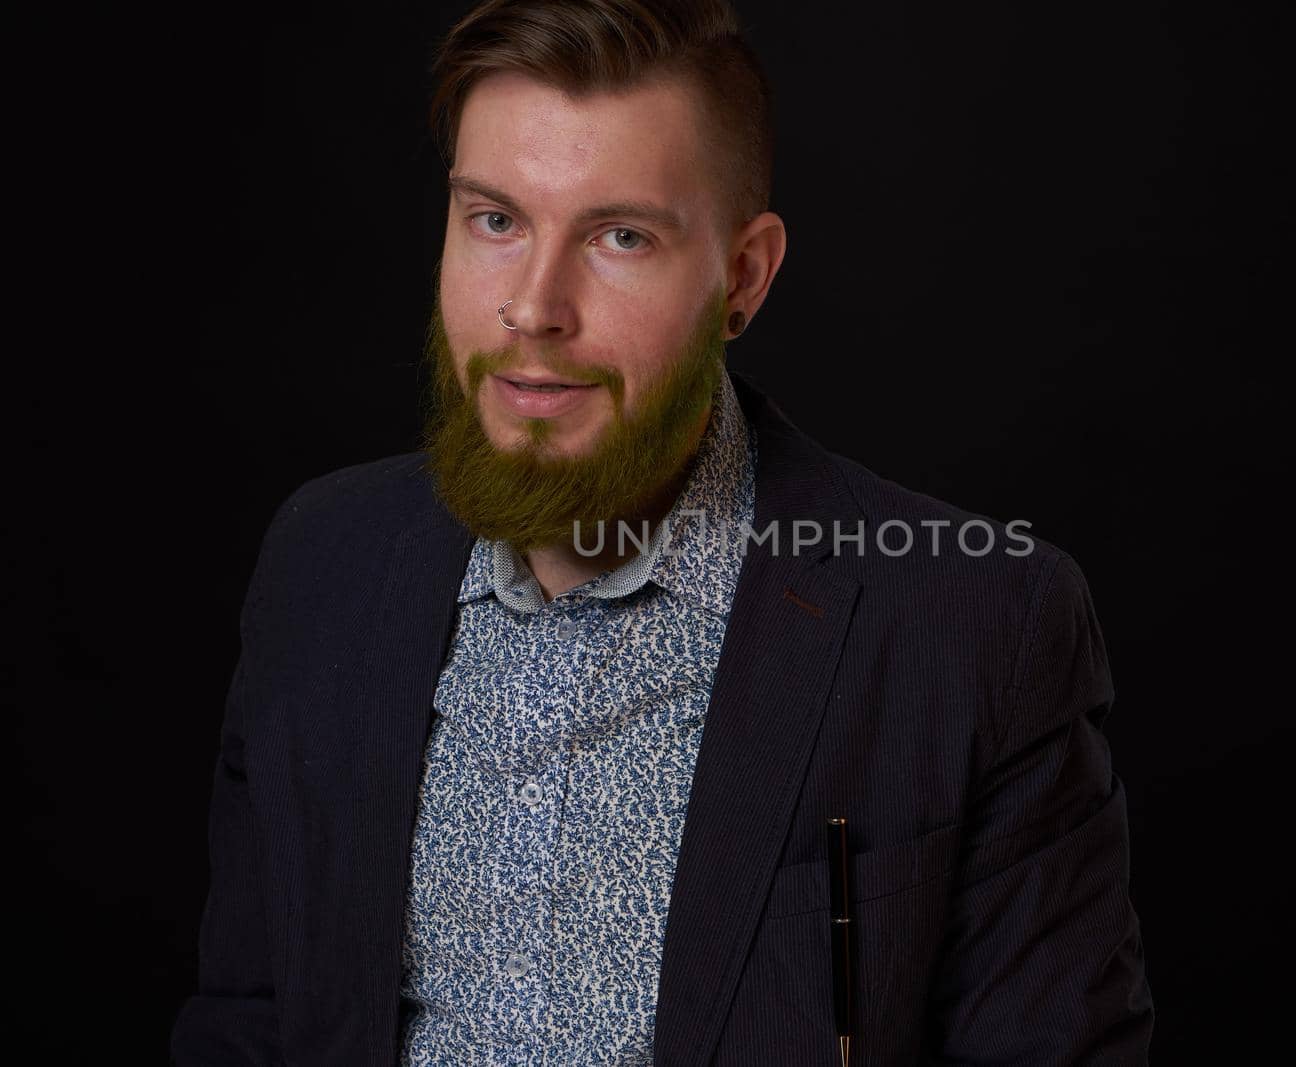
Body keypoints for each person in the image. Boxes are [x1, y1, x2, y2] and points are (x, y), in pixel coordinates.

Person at [170, 1, 1154, 1063]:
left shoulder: (978, 624)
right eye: (494, 220)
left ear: (742, 276)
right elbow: (249, 1023)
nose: (533, 308)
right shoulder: (321, 561)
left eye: (620, 236)